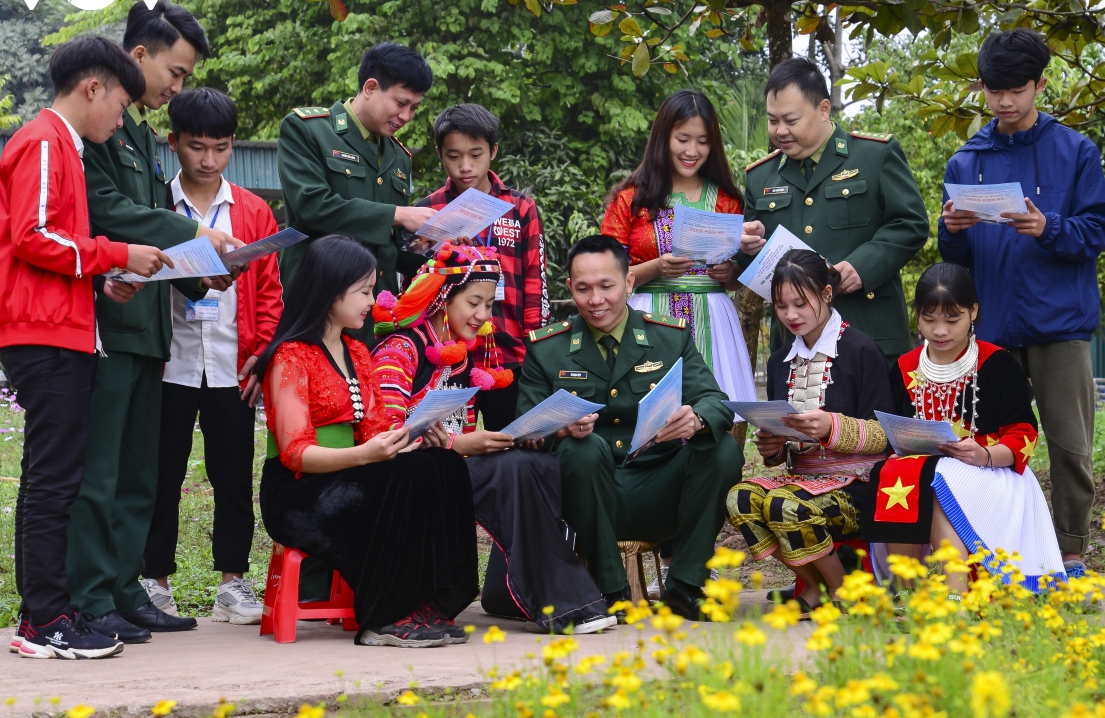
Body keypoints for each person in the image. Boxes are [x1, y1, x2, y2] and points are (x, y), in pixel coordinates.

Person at [0, 36, 169, 659]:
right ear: (92, 89)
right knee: (55, 480)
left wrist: (101, 276)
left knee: (52, 476)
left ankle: (43, 612)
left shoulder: (63, 144)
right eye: (119, 105)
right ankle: (44, 621)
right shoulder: (44, 141)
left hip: (59, 323)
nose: (121, 119)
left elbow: (55, 245)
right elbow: (34, 236)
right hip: (40, 330)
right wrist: (116, 254)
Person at [70, 1, 241, 644]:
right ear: (137, 56)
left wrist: (202, 272)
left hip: (152, 330)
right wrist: (194, 231)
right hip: (110, 324)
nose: (178, 88)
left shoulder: (141, 136)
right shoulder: (95, 137)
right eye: (174, 71)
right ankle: (88, 597)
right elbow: (106, 211)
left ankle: (123, 590)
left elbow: (154, 243)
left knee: (140, 473)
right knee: (103, 472)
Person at [939, 29, 1105, 578]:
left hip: (1059, 325)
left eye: (1016, 89)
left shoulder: (1075, 151)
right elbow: (956, 257)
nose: (1005, 101)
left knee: (1068, 445)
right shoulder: (967, 160)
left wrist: (1049, 226)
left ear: (1040, 84)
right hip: (990, 327)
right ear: (982, 88)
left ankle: (1070, 551)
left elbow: (1099, 230)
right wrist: (951, 229)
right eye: (994, 90)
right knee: (987, 440)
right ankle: (994, 547)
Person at [371, 243, 614, 634]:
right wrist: (459, 446)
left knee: (535, 464)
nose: (484, 316)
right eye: (474, 303)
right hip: (400, 481)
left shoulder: (461, 355)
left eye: (489, 304)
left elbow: (460, 431)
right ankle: (561, 603)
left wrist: (542, 430)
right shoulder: (400, 350)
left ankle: (564, 599)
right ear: (441, 298)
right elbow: (384, 438)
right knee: (514, 469)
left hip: (443, 470)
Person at [256, 235, 479, 647]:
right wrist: (365, 455)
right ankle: (387, 614)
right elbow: (296, 454)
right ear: (330, 291)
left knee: (440, 465)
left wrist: (411, 436)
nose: (372, 301)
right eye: (363, 291)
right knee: (400, 480)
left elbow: (376, 429)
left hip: (353, 471)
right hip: (298, 492)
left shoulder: (357, 351)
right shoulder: (291, 356)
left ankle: (429, 597)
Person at [517, 235, 744, 620]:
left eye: (607, 286)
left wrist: (697, 418)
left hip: (658, 488)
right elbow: (525, 429)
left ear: (629, 283)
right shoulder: (547, 348)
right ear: (569, 288)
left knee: (723, 449)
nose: (596, 300)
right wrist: (559, 429)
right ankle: (609, 588)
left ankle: (685, 585)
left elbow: (715, 399)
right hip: (584, 497)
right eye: (584, 289)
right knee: (582, 449)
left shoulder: (667, 337)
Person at [140, 88, 284, 624]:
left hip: (232, 366)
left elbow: (270, 293)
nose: (208, 160)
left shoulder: (253, 211)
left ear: (232, 148)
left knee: (232, 478)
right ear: (173, 142)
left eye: (220, 148)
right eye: (197, 147)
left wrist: (262, 354)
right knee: (161, 476)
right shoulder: (155, 204)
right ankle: (154, 581)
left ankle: (233, 582)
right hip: (167, 364)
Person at [726, 250, 935, 613]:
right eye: (781, 306)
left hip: (861, 484)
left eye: (800, 304)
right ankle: (820, 587)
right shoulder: (780, 362)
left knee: (783, 504)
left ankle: (839, 592)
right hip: (801, 481)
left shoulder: (861, 350)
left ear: (825, 294)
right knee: (739, 499)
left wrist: (831, 427)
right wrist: (772, 444)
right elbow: (779, 455)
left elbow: (886, 435)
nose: (790, 315)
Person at [888, 263, 1065, 592]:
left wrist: (983, 455)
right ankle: (905, 589)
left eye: (952, 320)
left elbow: (1023, 433)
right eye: (929, 319)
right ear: (917, 316)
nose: (940, 331)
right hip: (925, 467)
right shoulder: (904, 367)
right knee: (901, 473)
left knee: (934, 478)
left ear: (973, 312)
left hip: (991, 472)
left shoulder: (997, 363)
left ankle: (954, 585)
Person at [739, 57, 928, 362]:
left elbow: (911, 223)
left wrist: (861, 267)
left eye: (791, 120)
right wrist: (747, 245)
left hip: (868, 331)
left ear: (824, 109)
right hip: (795, 343)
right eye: (773, 121)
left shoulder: (873, 156)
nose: (781, 131)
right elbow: (748, 264)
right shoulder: (761, 176)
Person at [601, 89, 756, 402]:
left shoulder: (727, 200)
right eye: (682, 138)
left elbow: (742, 278)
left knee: (712, 415)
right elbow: (605, 273)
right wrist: (656, 268)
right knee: (648, 415)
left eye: (703, 141)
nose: (692, 150)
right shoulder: (631, 198)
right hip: (646, 316)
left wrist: (729, 272)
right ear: (663, 137)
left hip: (713, 320)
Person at [277, 42, 435, 326]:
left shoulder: (399, 157)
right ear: (371, 87)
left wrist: (438, 250)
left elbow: (391, 246)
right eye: (401, 103)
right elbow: (312, 208)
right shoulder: (308, 129)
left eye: (414, 107)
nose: (407, 116)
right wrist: (398, 214)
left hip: (378, 314)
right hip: (320, 309)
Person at [414, 104, 549, 430]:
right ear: (439, 154)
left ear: (493, 151)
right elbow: (414, 288)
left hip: (509, 355)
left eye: (476, 155)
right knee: (453, 449)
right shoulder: (426, 211)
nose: (465, 167)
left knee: (515, 444)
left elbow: (535, 281)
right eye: (454, 156)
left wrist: (537, 352)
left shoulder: (519, 208)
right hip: (447, 357)